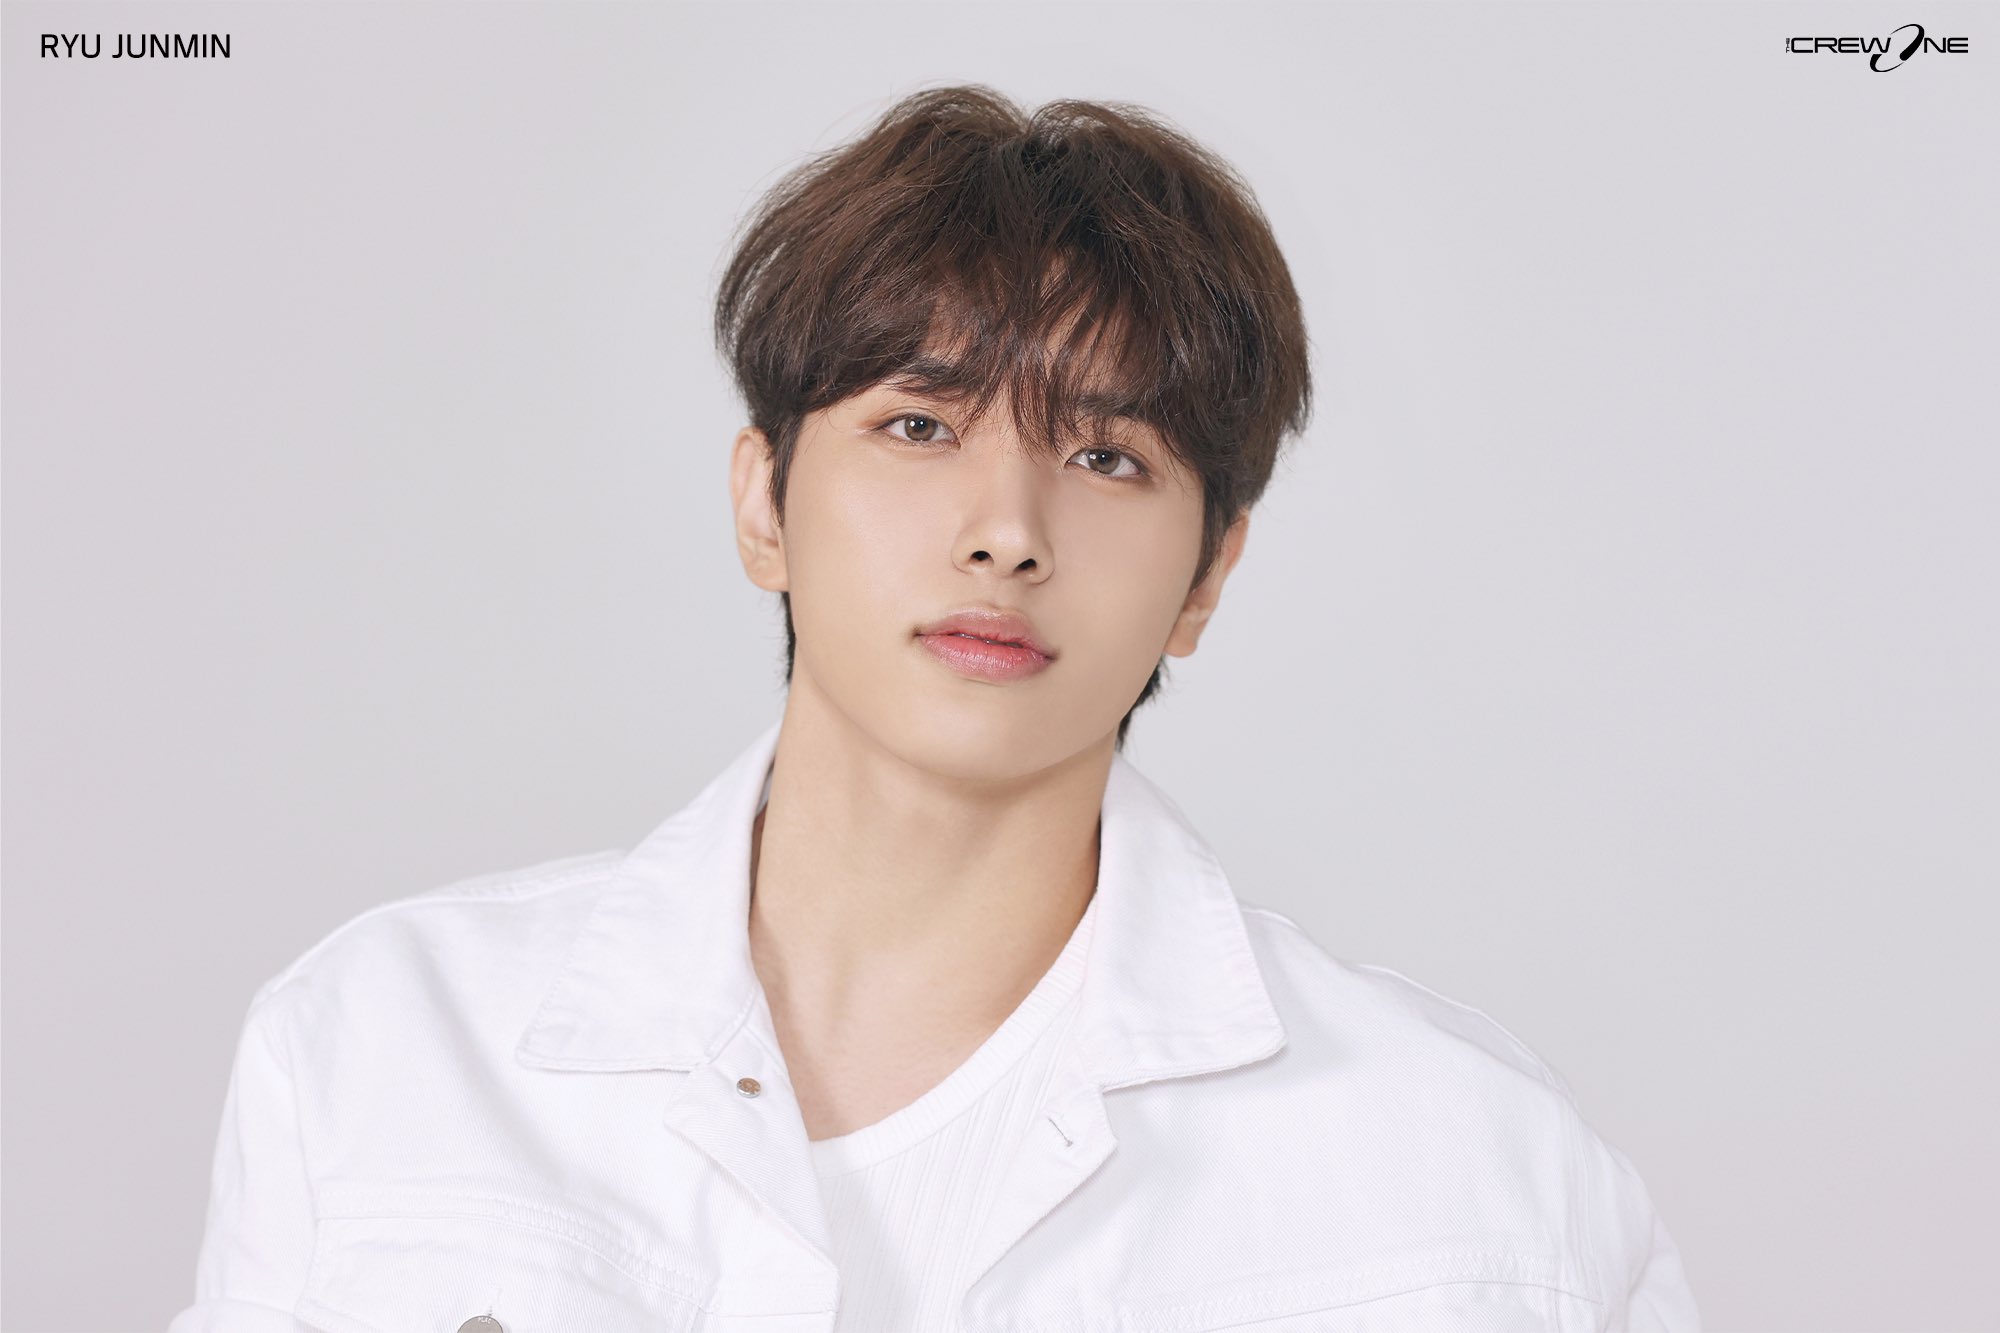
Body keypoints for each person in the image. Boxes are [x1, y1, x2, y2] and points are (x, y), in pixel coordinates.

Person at [169, 86, 1702, 1332]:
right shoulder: (388, 1046)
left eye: (1107, 457)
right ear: (764, 500)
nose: (1007, 532)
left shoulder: (1475, 1179)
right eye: (919, 424)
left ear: (1208, 574)